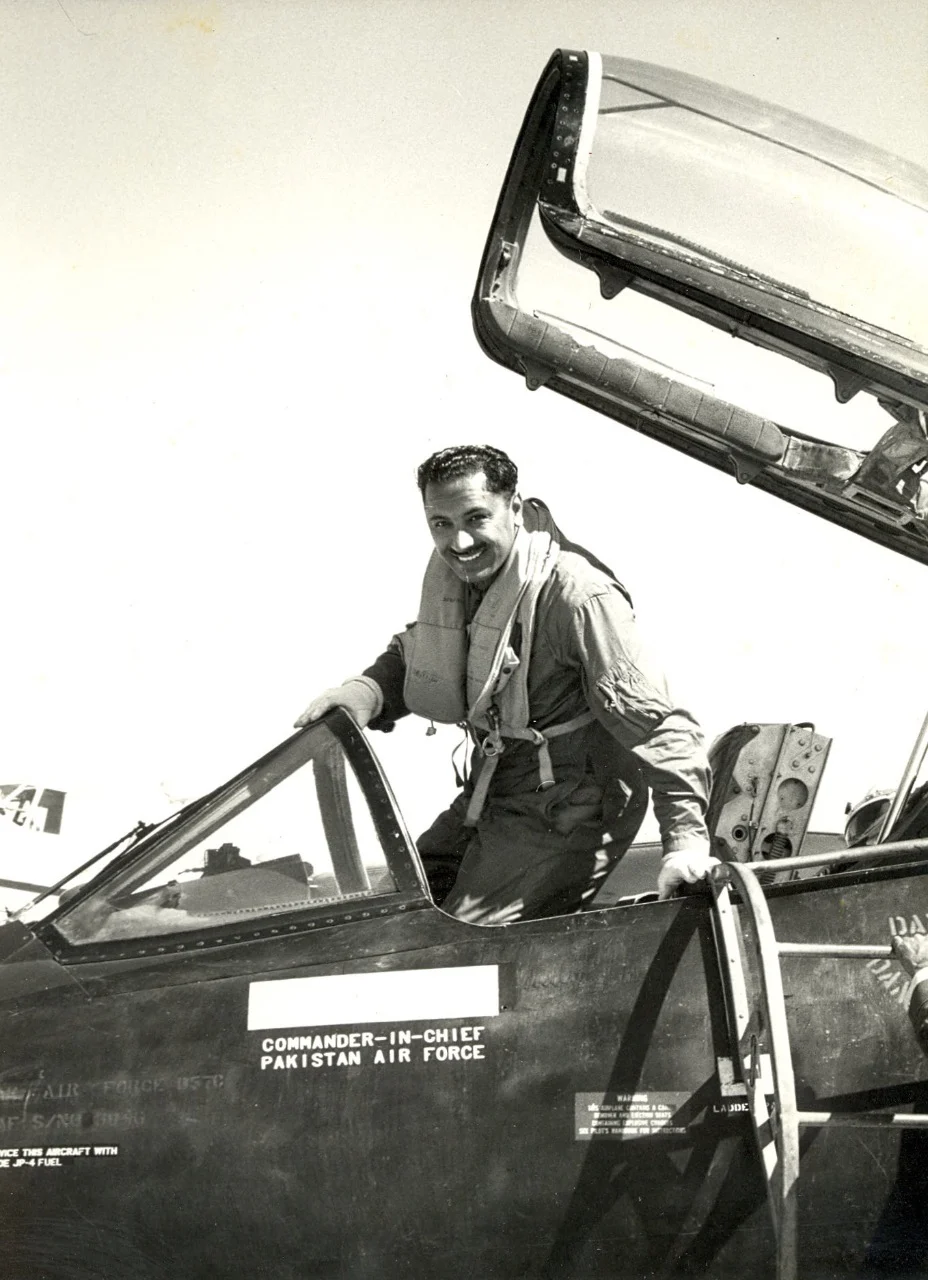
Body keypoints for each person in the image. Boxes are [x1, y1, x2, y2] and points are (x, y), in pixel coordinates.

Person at [295, 444, 715, 924]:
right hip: (497, 786)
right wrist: (367, 692)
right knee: (387, 913)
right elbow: (427, 649)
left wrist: (685, 843)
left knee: (451, 942)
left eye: (476, 518)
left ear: (514, 507)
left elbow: (660, 726)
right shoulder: (469, 579)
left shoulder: (577, 597)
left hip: (572, 804)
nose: (459, 542)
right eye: (441, 524)